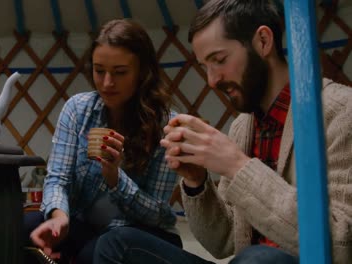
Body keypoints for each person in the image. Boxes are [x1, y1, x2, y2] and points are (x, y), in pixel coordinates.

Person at [93, 0, 352, 263]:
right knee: (118, 244)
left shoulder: (340, 112)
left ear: (263, 41)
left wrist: (238, 166)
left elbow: (343, 243)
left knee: (259, 259)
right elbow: (223, 242)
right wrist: (196, 182)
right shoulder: (244, 125)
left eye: (219, 60)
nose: (212, 80)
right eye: (205, 66)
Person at [24, 18, 182, 264]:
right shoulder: (78, 110)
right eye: (99, 70)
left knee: (99, 251)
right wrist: (59, 216)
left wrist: (116, 180)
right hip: (85, 227)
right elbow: (58, 178)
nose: (107, 83)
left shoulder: (167, 127)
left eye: (120, 72)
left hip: (141, 235)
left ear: (142, 72)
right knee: (25, 227)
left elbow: (157, 214)